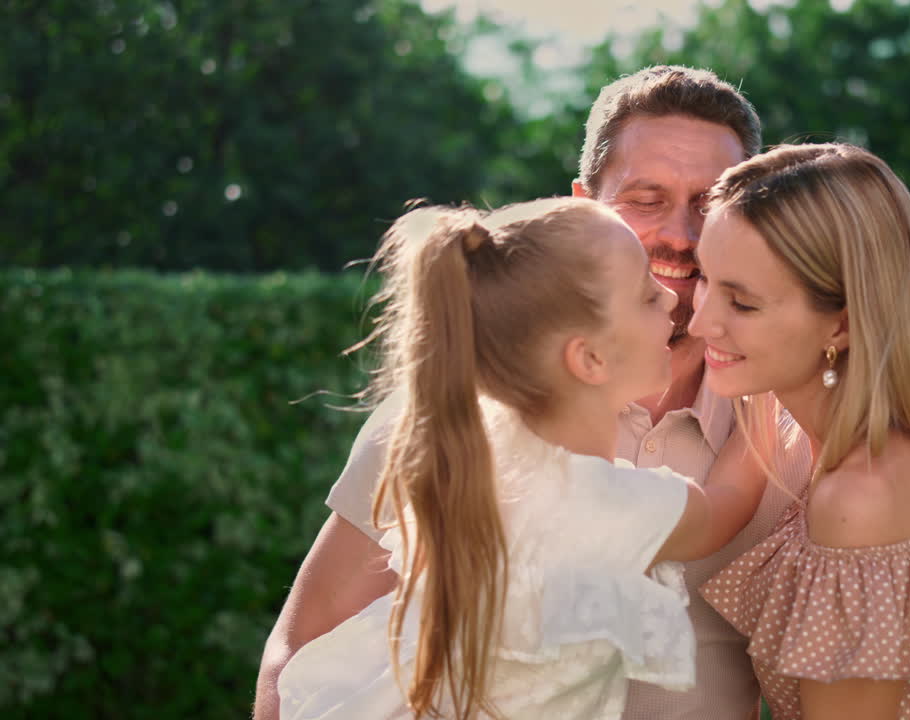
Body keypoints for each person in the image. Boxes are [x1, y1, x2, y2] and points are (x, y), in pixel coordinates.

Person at [254, 66, 813, 720]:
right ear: (582, 204)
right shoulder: (453, 415)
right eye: (646, 198)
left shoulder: (813, 431)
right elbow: (300, 645)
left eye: (708, 204)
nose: (681, 238)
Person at [691, 143, 910, 719]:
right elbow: (710, 509)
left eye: (742, 303)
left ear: (843, 323)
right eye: (706, 277)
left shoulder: (862, 497)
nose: (701, 320)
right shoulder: (816, 439)